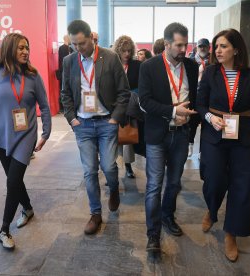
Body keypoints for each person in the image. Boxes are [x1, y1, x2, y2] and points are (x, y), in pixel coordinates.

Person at [196, 28, 250, 262]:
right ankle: (212, 208)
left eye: (223, 46)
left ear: (236, 49)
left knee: (241, 187)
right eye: (216, 46)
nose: (218, 50)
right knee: (214, 180)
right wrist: (210, 118)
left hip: (244, 137)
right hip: (214, 135)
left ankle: (231, 234)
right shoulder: (209, 74)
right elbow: (200, 104)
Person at [0, 33, 52, 250]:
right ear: (10, 49)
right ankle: (28, 208)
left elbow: (45, 106)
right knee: (15, 180)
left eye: (27, 47)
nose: (25, 51)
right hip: (1, 137)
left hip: (25, 136)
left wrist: (46, 133)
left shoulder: (33, 75)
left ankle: (4, 230)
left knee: (12, 182)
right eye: (21, 47)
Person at [61, 20, 130, 235]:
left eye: (81, 43)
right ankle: (95, 214)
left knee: (109, 167)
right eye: (74, 45)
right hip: (82, 125)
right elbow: (65, 94)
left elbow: (124, 92)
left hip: (106, 122)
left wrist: (115, 119)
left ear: (91, 37)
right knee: (89, 171)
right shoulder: (69, 61)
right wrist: (72, 119)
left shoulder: (110, 58)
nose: (78, 49)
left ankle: (114, 189)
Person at [139, 22, 198, 260]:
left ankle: (167, 216)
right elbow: (144, 102)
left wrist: (191, 128)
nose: (184, 48)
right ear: (166, 44)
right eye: (179, 44)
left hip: (181, 136)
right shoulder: (149, 67)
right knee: (154, 186)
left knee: (174, 183)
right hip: (157, 135)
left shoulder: (192, 67)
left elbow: (194, 98)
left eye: (186, 44)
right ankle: (153, 234)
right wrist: (174, 112)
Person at [112, 35, 141, 178]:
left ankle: (128, 166)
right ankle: (115, 168)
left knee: (128, 137)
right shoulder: (112, 63)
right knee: (113, 138)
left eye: (129, 51)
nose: (127, 54)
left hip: (130, 106)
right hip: (114, 105)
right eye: (124, 51)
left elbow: (141, 86)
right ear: (118, 50)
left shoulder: (137, 65)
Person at [187, 38, 211, 157]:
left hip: (208, 97)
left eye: (204, 46)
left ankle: (202, 150)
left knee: (206, 125)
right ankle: (190, 144)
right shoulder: (190, 61)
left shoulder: (213, 62)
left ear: (208, 48)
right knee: (193, 123)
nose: (202, 48)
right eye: (200, 46)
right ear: (196, 47)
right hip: (194, 96)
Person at [56, 35, 73, 113]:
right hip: (63, 73)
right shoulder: (61, 48)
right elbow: (61, 62)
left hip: (71, 73)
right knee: (63, 89)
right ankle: (62, 107)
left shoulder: (71, 49)